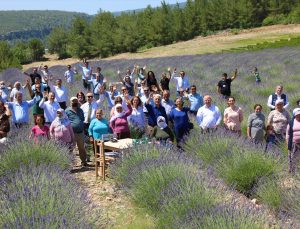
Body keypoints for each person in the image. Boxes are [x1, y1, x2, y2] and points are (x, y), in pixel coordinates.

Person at [65, 97, 87, 166]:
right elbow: (65, 121)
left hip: (80, 132)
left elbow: (82, 119)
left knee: (81, 148)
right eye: (73, 101)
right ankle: (69, 163)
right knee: (70, 148)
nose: (74, 102)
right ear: (70, 102)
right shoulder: (67, 111)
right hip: (72, 133)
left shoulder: (80, 110)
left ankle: (83, 161)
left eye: (75, 101)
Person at [286, 108, 300, 174]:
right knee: (292, 157)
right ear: (294, 115)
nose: (299, 116)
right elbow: (288, 133)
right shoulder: (291, 122)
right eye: (297, 115)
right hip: (294, 143)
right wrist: (287, 141)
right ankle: (292, 171)